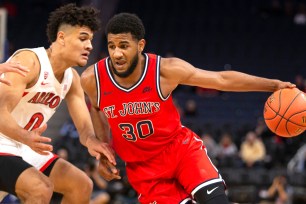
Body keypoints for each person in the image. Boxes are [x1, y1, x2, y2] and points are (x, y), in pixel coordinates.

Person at [80, 13, 295, 204]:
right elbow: (97, 109)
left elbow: (222, 79)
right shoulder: (93, 79)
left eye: (124, 45)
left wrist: (273, 84)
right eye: (111, 46)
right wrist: (104, 152)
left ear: (140, 45)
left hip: (180, 151)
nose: (116, 53)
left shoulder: (165, 71)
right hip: (144, 170)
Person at [0, 4, 116, 203]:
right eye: (82, 38)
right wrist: (25, 136)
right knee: (40, 188)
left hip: (24, 146)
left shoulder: (72, 79)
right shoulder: (29, 61)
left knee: (81, 185)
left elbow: (85, 130)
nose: (89, 45)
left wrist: (94, 143)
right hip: (3, 141)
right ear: (61, 38)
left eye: (90, 40)